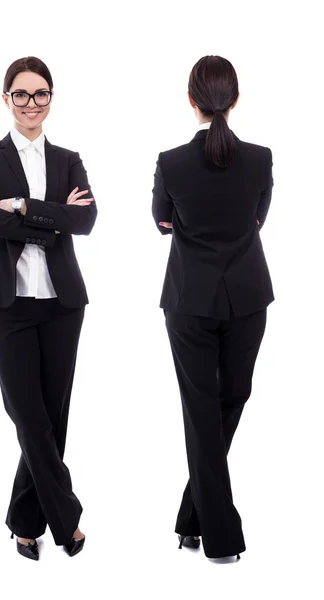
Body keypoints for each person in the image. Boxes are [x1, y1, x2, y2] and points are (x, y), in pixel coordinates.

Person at [0, 56, 97, 560]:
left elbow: (86, 222)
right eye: (20, 94)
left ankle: (25, 522)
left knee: (52, 416)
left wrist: (21, 207)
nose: (30, 103)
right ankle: (66, 519)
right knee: (28, 415)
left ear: (51, 98)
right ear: (6, 99)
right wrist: (53, 218)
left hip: (63, 303)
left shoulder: (68, 158)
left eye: (40, 93)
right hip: (7, 304)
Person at [152, 55, 274, 560]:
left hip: (189, 299)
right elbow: (257, 220)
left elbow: (161, 221)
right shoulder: (261, 158)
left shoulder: (172, 162)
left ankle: (192, 515)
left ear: (191, 100)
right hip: (246, 298)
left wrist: (188, 226)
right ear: (236, 99)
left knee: (206, 412)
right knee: (226, 403)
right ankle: (221, 537)